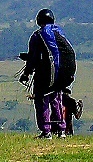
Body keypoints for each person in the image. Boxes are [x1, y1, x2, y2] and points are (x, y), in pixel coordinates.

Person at [19, 9, 76, 138]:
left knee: (42, 100)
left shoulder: (37, 36)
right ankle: (62, 130)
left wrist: (26, 74)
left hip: (45, 75)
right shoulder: (59, 32)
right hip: (61, 75)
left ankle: (46, 131)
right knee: (56, 100)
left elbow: (34, 58)